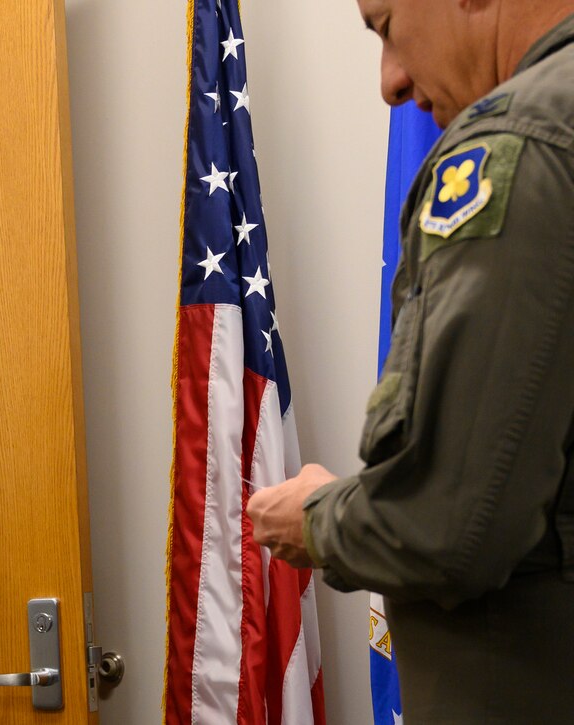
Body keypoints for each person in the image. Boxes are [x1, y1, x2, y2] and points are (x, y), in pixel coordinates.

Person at [246, 0, 574, 720]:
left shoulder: (517, 147)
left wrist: (316, 519)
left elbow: (450, 526)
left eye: (387, 24)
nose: (390, 82)